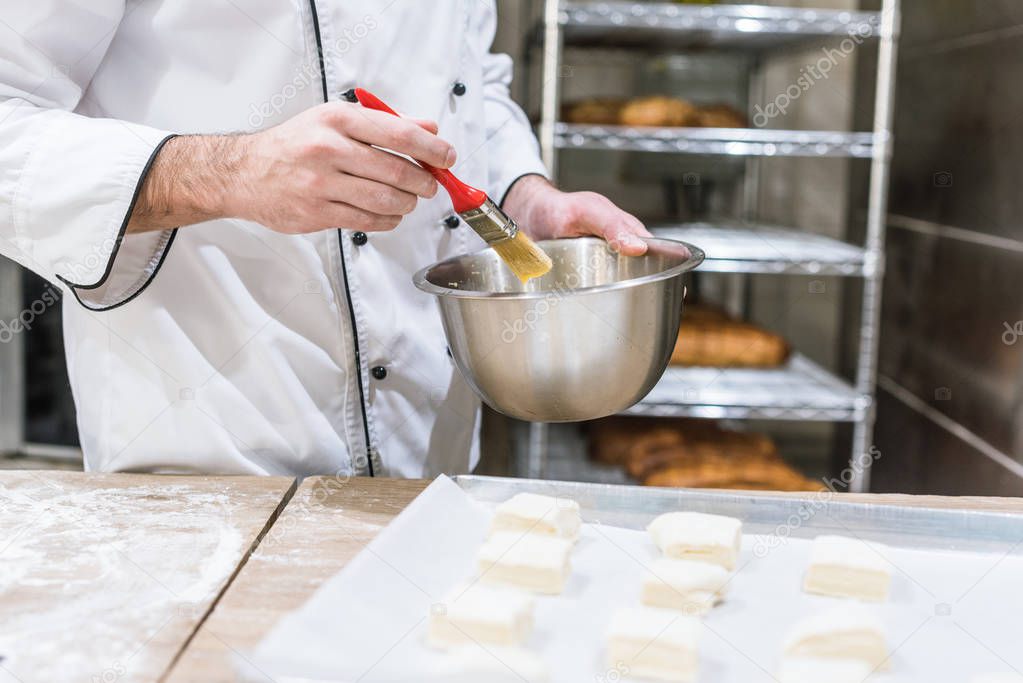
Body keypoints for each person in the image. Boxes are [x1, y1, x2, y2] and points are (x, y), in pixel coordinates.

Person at [0, 2, 649, 477]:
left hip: (430, 454)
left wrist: (521, 196)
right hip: (208, 450)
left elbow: (473, 84)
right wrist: (232, 173)